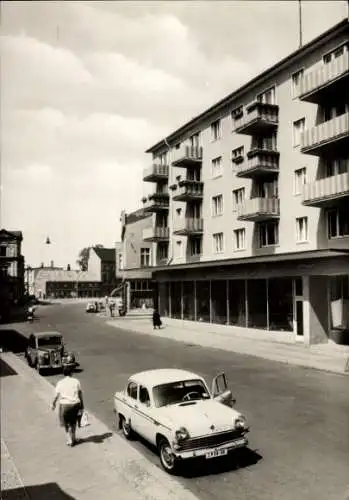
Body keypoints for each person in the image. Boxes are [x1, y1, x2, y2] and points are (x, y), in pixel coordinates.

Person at [51, 366, 84, 446]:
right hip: (75, 404)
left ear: (63, 373)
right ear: (71, 373)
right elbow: (80, 394)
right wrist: (82, 405)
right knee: (73, 422)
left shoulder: (60, 382)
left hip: (65, 405)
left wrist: (53, 404)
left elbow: (56, 396)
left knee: (66, 423)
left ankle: (69, 440)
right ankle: (73, 438)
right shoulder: (76, 381)